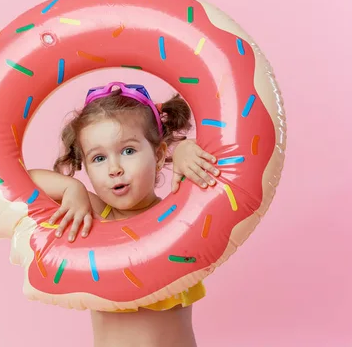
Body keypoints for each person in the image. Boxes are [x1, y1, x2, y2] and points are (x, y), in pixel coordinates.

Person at [28, 82, 220, 347]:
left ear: (159, 153)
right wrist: (70, 187)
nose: (114, 168)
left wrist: (185, 150)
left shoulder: (178, 212)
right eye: (98, 158)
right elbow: (21, 181)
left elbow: (219, 167)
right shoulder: (96, 216)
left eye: (128, 151)